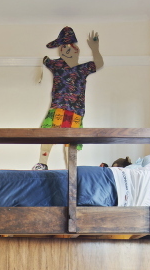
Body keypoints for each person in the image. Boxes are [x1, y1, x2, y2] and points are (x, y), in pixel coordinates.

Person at [32, 26, 104, 170]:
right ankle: (42, 163)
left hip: (76, 110)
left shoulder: (82, 69)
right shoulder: (57, 65)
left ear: (77, 51)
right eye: (64, 48)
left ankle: (71, 168)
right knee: (48, 134)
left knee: (71, 140)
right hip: (58, 107)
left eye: (70, 48)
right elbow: (46, 61)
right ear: (60, 51)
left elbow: (99, 64)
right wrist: (44, 59)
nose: (67, 51)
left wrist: (95, 49)